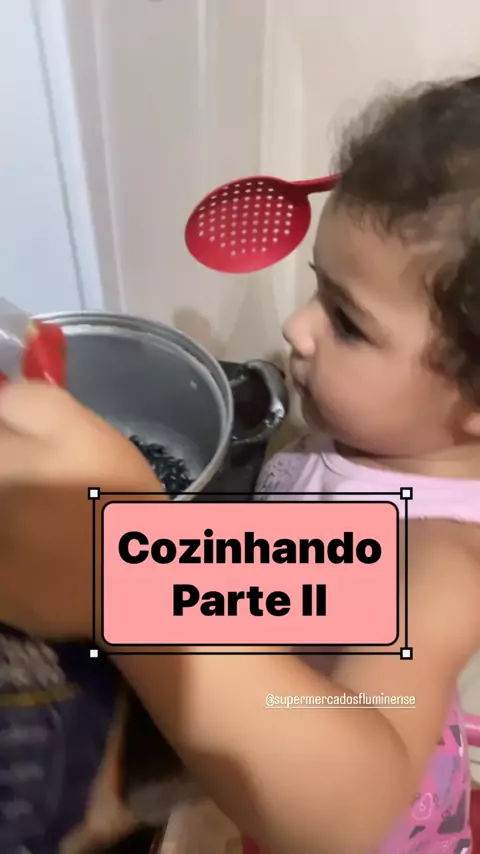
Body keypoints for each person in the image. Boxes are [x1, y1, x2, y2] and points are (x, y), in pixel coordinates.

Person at [1, 75, 480, 854]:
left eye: (348, 324)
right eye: (318, 288)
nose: (295, 327)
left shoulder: (442, 557)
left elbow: (342, 811)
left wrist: (126, 569)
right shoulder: (379, 442)